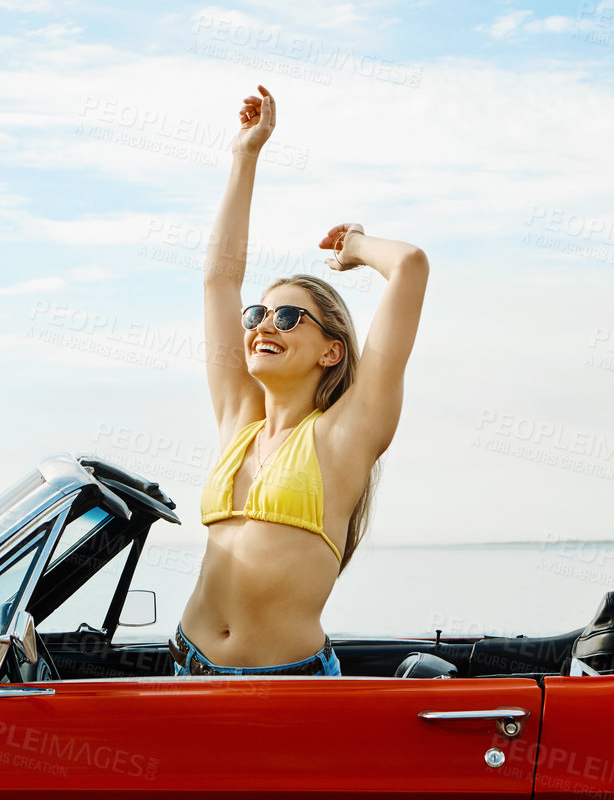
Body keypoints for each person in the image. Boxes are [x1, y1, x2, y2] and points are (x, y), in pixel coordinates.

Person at [170, 85, 429, 678]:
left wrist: (356, 246)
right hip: (189, 667)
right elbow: (218, 281)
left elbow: (410, 266)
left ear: (332, 350)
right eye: (258, 315)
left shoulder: (347, 435)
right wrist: (245, 154)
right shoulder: (240, 418)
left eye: (288, 317)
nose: (265, 324)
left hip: (284, 687)